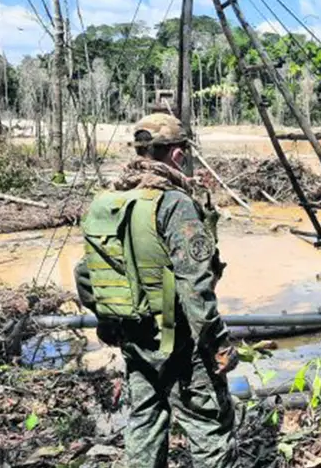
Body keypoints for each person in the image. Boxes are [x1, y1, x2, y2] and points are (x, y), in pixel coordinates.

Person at [73, 113, 236, 468]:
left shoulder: (111, 202)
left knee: (145, 422)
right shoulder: (174, 205)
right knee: (209, 424)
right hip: (176, 338)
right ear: (177, 155)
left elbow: (86, 275)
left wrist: (109, 321)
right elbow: (195, 288)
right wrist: (218, 343)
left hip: (133, 335)